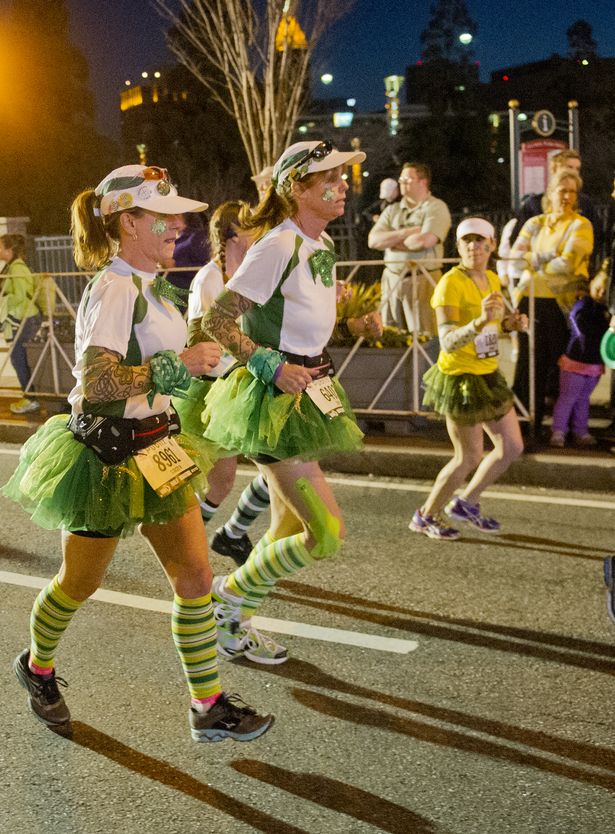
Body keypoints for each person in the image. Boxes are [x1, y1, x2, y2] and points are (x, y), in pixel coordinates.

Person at [2, 164, 272, 743]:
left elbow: (176, 352)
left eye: (177, 217)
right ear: (128, 223)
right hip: (106, 455)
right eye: (164, 217)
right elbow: (97, 381)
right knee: (79, 581)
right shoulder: (115, 287)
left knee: (196, 575)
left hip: (159, 446)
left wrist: (232, 347)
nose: (178, 227)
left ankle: (207, 705)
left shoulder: (155, 286)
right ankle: (37, 666)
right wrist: (179, 364)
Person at [198, 139, 370, 665]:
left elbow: (304, 323)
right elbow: (217, 319)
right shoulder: (276, 245)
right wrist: (270, 365)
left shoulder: (322, 244)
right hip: (274, 399)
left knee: (287, 527)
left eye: (342, 177)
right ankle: (226, 600)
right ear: (296, 187)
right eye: (329, 179)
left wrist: (352, 324)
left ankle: (235, 623)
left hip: (310, 390)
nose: (342, 186)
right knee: (327, 533)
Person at [409, 218, 526, 540]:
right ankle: (425, 515)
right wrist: (480, 321)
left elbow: (494, 325)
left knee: (512, 446)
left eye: (480, 240)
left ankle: (466, 502)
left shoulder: (492, 278)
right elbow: (447, 341)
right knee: (469, 456)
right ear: (458, 246)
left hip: (488, 374)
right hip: (461, 378)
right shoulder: (450, 283)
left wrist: (510, 324)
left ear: (492, 245)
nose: (474, 246)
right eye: (467, 241)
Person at [175, 200, 271, 566]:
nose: (258, 235)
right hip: (210, 392)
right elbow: (202, 339)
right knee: (211, 478)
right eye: (250, 228)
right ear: (232, 235)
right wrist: (251, 355)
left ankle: (221, 536)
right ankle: (188, 544)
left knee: (232, 477)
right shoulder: (210, 278)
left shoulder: (245, 274)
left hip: (239, 385)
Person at [510, 168, 594, 436]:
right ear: (550, 193)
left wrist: (534, 260)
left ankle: (561, 427)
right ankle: (524, 424)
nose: (567, 197)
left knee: (558, 367)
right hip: (529, 300)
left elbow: (568, 263)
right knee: (527, 365)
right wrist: (548, 256)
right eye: (562, 191)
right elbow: (514, 259)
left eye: (572, 192)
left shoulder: (581, 225)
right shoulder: (534, 223)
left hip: (561, 306)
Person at [368, 161, 451, 348]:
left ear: (423, 182)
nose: (402, 183)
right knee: (391, 336)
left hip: (423, 280)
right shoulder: (392, 210)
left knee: (425, 338)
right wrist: (406, 233)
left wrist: (392, 242)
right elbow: (373, 240)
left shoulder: (436, 207)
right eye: (401, 180)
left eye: (407, 179)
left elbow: (424, 241)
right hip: (392, 280)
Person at [549, 272, 609, 447]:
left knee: (582, 399)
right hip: (576, 361)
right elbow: (583, 327)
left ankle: (580, 431)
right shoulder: (583, 305)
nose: (601, 293)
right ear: (591, 284)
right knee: (568, 398)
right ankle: (559, 431)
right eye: (598, 288)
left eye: (606, 291)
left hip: (593, 363)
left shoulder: (603, 310)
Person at [509, 149, 599, 253]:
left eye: (577, 169)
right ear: (554, 170)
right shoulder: (533, 204)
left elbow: (597, 236)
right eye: (569, 167)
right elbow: (517, 239)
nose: (574, 172)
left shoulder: (585, 203)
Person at [0, 234, 42, 414]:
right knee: (21, 358)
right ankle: (32, 396)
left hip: (24, 319)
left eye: (0, 247)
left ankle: (31, 398)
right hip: (25, 318)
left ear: (10, 250)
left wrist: (4, 304)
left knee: (19, 358)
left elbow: (20, 296)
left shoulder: (17, 268)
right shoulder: (13, 267)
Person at [162, 212, 210, 314]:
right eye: (168, 216)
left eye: (177, 215)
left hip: (185, 288)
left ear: (186, 217)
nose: (172, 220)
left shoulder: (196, 237)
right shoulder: (170, 238)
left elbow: (206, 266)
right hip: (167, 286)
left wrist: (176, 265)